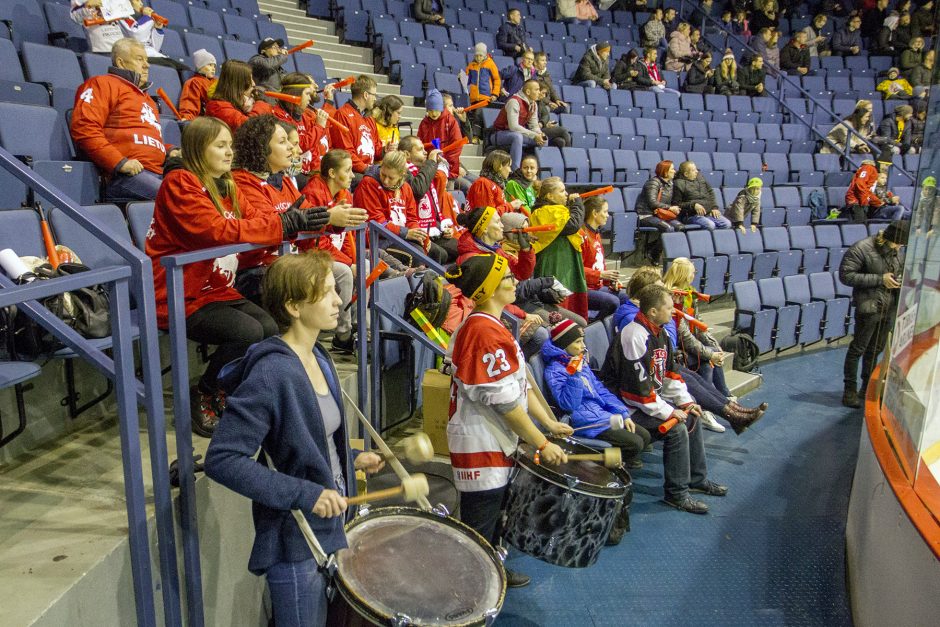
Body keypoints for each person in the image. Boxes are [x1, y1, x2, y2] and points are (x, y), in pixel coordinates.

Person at [204, 251, 386, 627]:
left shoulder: (319, 357)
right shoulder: (272, 373)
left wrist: (349, 461)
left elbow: (303, 442)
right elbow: (223, 460)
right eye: (327, 294)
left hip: (333, 528)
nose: (339, 301)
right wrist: (307, 494)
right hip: (295, 542)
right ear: (293, 306)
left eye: (337, 291)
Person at [146, 116, 329, 435]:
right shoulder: (179, 183)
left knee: (270, 327)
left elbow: (261, 217)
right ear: (198, 149)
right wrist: (281, 224)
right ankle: (204, 390)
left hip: (214, 290)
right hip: (178, 293)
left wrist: (293, 220)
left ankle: (231, 392)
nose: (229, 152)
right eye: (220, 146)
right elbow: (213, 231)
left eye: (230, 145)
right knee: (246, 332)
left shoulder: (227, 184)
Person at [445, 253, 572, 588]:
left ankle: (494, 569)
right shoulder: (481, 332)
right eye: (506, 280)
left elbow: (523, 383)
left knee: (501, 512)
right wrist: (541, 443)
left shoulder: (496, 325)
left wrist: (548, 423)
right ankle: (472, 588)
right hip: (481, 441)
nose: (515, 282)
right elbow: (505, 403)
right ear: (487, 290)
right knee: (480, 522)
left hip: (499, 439)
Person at [608, 284, 727, 514]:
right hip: (625, 406)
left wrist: (686, 402)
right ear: (653, 311)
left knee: (692, 415)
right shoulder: (634, 336)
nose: (674, 311)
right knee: (676, 429)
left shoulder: (660, 332)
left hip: (645, 401)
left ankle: (697, 479)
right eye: (669, 307)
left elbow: (671, 374)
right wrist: (670, 413)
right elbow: (637, 391)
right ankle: (676, 494)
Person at [541, 319, 641, 545]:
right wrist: (574, 375)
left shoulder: (581, 362)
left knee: (641, 438)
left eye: (583, 340)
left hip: (603, 416)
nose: (583, 345)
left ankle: (616, 480)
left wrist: (623, 412)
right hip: (585, 422)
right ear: (564, 344)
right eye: (577, 341)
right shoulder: (555, 370)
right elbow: (568, 405)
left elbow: (601, 392)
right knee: (634, 444)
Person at [71, 38, 174, 201]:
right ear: (121, 62)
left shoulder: (147, 99)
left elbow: (144, 140)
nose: (147, 65)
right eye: (140, 59)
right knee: (179, 200)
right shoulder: (102, 84)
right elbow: (84, 127)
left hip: (157, 173)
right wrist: (119, 162)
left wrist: (168, 151)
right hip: (123, 176)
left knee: (205, 192)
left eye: (147, 60)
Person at [839, 220, 908, 408]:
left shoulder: (896, 250)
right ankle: (849, 391)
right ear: (889, 238)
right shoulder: (861, 248)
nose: (900, 247)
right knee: (858, 349)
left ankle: (867, 388)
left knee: (875, 350)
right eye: (898, 243)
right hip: (869, 307)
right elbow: (846, 276)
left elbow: (897, 270)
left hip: (889, 307)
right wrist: (880, 279)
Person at [530, 177, 588, 318]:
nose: (566, 194)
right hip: (554, 261)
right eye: (562, 191)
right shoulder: (544, 211)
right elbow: (572, 225)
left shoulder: (558, 209)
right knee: (559, 303)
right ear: (550, 195)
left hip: (565, 260)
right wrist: (578, 205)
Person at [398, 135, 460, 262]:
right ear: (406, 154)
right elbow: (418, 190)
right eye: (420, 149)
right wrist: (431, 162)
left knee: (463, 247)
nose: (425, 152)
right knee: (441, 254)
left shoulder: (422, 170)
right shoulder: (402, 171)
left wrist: (443, 228)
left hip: (432, 229)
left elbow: (433, 206)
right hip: (414, 229)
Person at [271, 74, 331, 175]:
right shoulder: (278, 115)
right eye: (307, 94)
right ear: (296, 94)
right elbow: (299, 146)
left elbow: (314, 148)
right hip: (291, 172)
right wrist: (319, 127)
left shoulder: (304, 116)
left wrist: (316, 172)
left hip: (309, 173)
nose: (309, 98)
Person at [580, 196, 625, 320]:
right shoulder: (581, 235)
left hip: (599, 286)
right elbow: (577, 269)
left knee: (626, 297)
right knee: (613, 302)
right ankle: (594, 327)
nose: (607, 215)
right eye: (605, 212)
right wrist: (600, 275)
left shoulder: (596, 234)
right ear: (595, 213)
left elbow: (600, 264)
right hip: (584, 289)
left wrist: (611, 281)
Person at [489, 79, 547, 170]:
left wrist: (539, 134)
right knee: (517, 137)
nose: (539, 92)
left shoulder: (534, 105)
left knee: (544, 140)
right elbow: (513, 126)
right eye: (537, 90)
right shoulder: (514, 101)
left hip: (517, 133)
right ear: (528, 92)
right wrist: (534, 135)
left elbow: (534, 126)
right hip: (498, 134)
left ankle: (535, 170)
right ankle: (515, 170)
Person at [330, 75, 381, 177]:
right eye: (374, 95)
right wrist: (367, 169)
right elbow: (345, 153)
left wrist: (385, 150)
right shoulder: (343, 114)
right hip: (352, 172)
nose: (375, 99)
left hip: (368, 170)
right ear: (366, 95)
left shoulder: (369, 118)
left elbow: (377, 148)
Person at [635, 160, 684, 260]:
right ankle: (655, 253)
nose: (675, 171)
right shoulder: (653, 183)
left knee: (680, 227)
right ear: (665, 172)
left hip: (661, 215)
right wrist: (670, 208)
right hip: (646, 215)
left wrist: (676, 208)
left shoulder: (670, 183)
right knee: (668, 228)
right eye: (672, 169)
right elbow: (652, 202)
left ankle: (651, 247)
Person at [206, 60, 273, 132]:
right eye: (249, 80)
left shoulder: (245, 102)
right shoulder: (217, 106)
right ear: (237, 83)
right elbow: (248, 126)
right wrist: (261, 104)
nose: (253, 84)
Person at [417, 89, 464, 186]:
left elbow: (457, 145)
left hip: (448, 169)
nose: (433, 114)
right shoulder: (424, 123)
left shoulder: (450, 121)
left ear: (441, 108)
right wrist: (428, 160)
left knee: (446, 195)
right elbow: (419, 144)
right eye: (430, 111)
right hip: (429, 168)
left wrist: (445, 162)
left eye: (436, 110)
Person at [117, 0, 182, 69]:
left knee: (185, 69)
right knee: (171, 68)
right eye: (137, 0)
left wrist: (157, 29)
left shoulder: (144, 20)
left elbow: (155, 48)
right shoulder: (123, 16)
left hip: (154, 55)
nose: (141, 3)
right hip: (139, 56)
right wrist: (147, 17)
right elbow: (137, 36)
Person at [673, 161, 732, 231]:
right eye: (693, 170)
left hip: (708, 212)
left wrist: (714, 208)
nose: (696, 171)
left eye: (696, 169)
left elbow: (710, 192)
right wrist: (693, 205)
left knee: (727, 224)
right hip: (691, 215)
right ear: (686, 174)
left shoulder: (700, 178)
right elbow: (677, 204)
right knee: (710, 225)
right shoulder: (678, 184)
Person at [467, 150, 523, 215]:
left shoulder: (496, 184)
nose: (510, 171)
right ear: (499, 166)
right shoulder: (483, 183)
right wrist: (510, 206)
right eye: (508, 166)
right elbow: (486, 216)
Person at [178, 49, 217, 121]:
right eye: (210, 65)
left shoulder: (216, 81)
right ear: (200, 66)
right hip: (206, 121)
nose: (213, 69)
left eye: (214, 66)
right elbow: (189, 103)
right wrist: (187, 117)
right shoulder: (194, 82)